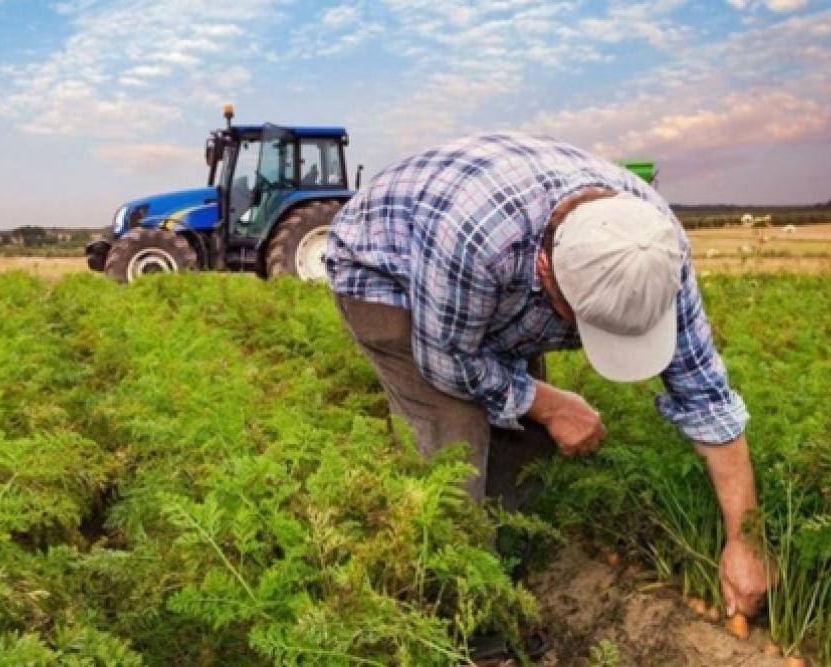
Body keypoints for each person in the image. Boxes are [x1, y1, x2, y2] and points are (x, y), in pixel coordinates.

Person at [325, 133, 768, 622]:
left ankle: (511, 561)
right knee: (454, 448)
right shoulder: (476, 241)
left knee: (526, 441)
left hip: (487, 277)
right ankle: (464, 615)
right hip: (387, 272)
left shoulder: (654, 249)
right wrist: (550, 404)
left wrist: (745, 541)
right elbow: (447, 362)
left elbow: (706, 397)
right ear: (545, 269)